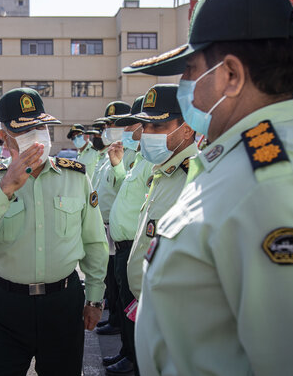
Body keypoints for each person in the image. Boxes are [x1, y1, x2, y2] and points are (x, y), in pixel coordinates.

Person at [123, 0, 293, 375]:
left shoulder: (276, 186)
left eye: (190, 71)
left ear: (232, 76)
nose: (185, 87)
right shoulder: (245, 158)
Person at [0, 88, 108, 376]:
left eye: (41, 126)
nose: (37, 135)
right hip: (5, 306)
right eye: (25, 129)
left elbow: (94, 242)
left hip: (63, 304)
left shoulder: (76, 177)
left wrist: (94, 298)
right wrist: (5, 190)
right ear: (4, 135)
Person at [121, 85, 197, 303]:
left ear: (187, 129)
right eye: (145, 126)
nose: (147, 134)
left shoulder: (193, 178)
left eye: (158, 126)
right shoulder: (164, 172)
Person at [101, 95, 152, 375]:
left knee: (133, 307)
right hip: (122, 245)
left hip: (135, 245)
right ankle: (127, 352)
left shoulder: (154, 160)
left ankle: (134, 358)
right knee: (124, 303)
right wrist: (119, 165)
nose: (134, 131)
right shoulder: (141, 158)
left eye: (137, 125)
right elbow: (125, 191)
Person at [90, 101, 131, 337]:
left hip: (118, 229)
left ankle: (119, 322)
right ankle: (115, 319)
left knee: (118, 281)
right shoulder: (108, 155)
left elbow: (125, 188)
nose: (110, 128)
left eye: (115, 124)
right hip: (104, 225)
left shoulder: (129, 154)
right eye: (108, 124)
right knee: (111, 279)